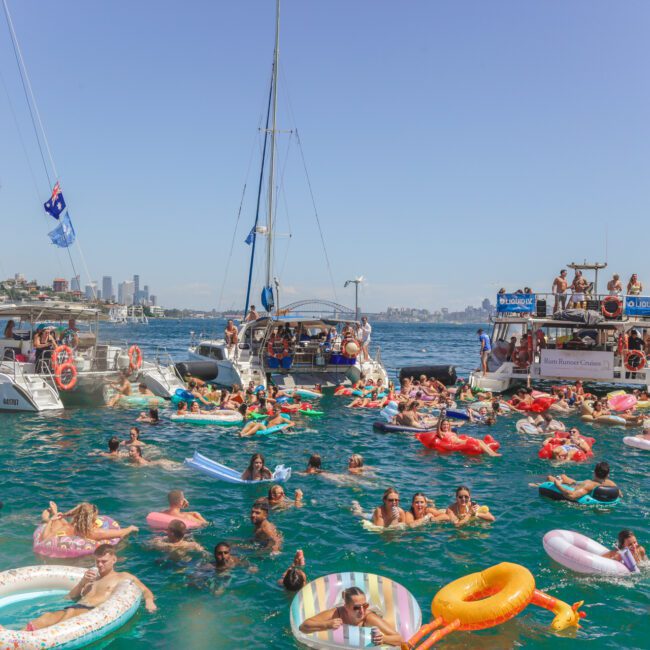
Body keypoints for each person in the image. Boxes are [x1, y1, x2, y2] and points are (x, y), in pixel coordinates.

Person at [12, 544, 155, 632]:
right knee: (46, 617)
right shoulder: (93, 578)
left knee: (63, 620)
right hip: (74, 607)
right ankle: (14, 636)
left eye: (103, 561)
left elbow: (145, 590)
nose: (99, 565)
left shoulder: (122, 576)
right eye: (97, 561)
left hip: (90, 612)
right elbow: (70, 597)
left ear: (114, 559)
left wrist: (149, 602)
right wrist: (83, 582)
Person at [298, 586, 403, 646]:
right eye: (357, 607)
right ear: (346, 607)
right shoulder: (336, 613)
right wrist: (326, 624)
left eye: (365, 605)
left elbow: (399, 639)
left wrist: (384, 639)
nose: (362, 610)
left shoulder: (369, 618)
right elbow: (303, 627)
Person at [37, 502, 138, 544]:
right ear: (92, 519)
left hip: (69, 532)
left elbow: (45, 538)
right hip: (82, 556)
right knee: (58, 524)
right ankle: (48, 518)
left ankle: (48, 518)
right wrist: (131, 528)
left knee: (59, 525)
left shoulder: (71, 528)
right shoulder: (95, 532)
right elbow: (121, 532)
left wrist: (52, 520)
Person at [547, 461, 621, 501]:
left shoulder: (589, 484)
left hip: (575, 486)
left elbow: (571, 496)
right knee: (563, 476)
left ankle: (536, 485)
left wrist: (558, 485)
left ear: (594, 472)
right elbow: (620, 494)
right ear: (607, 475)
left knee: (550, 478)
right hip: (578, 483)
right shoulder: (610, 483)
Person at [435, 418, 501, 457]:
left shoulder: (453, 432)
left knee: (479, 441)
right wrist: (440, 418)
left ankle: (491, 453)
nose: (445, 426)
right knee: (477, 441)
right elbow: (438, 430)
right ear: (441, 426)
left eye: (447, 424)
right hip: (457, 443)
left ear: (449, 425)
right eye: (444, 424)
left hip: (461, 440)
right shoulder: (442, 433)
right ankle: (491, 453)